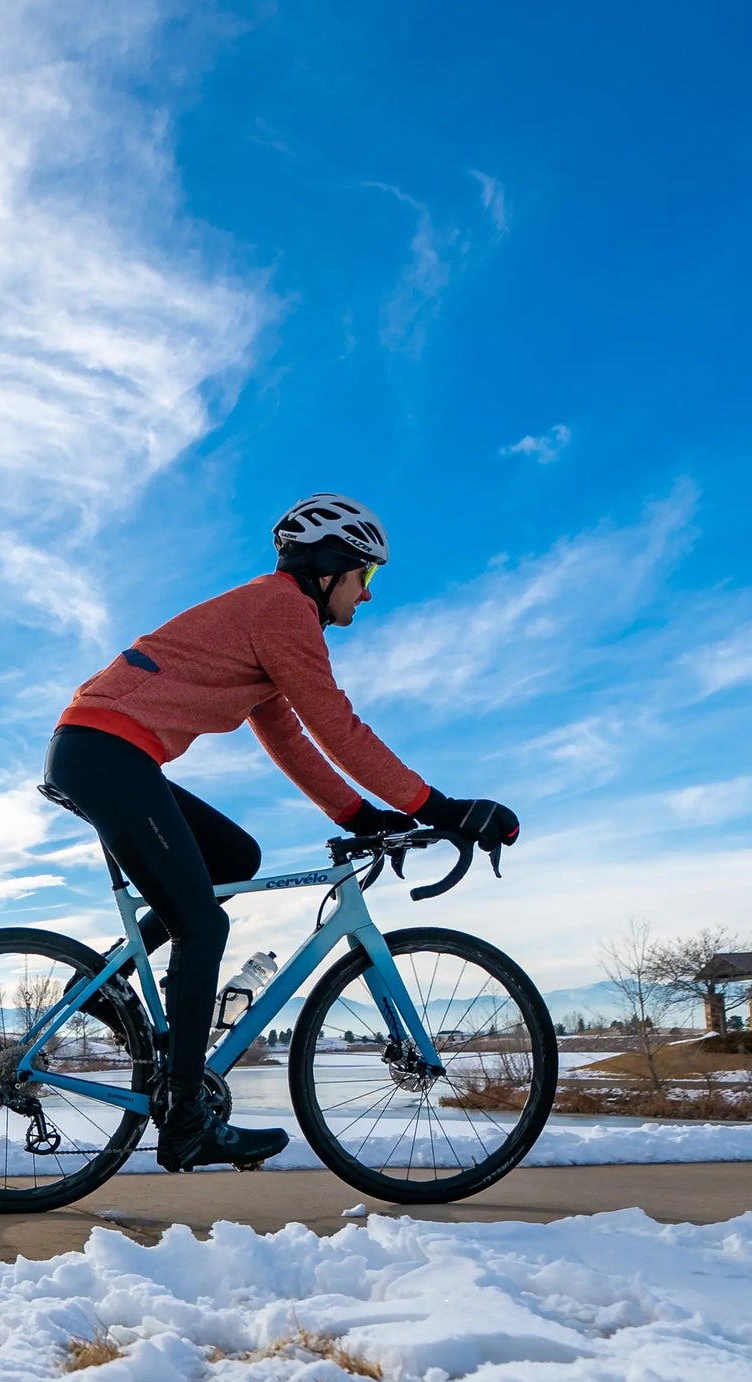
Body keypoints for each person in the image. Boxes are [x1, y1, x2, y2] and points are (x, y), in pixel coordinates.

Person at [42, 493, 520, 1172]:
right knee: (203, 927)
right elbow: (337, 724)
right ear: (332, 568)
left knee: (236, 855)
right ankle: (184, 1120)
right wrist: (438, 806)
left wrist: (359, 815)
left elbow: (292, 739)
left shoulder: (269, 620)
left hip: (102, 752)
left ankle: (108, 986)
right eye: (368, 578)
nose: (369, 595)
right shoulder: (283, 610)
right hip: (106, 753)